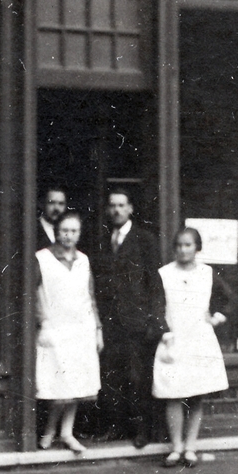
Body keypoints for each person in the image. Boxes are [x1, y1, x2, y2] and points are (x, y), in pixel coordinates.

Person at [150, 226, 234, 467]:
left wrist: (216, 317)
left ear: (197, 248)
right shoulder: (164, 273)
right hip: (174, 340)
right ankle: (175, 447)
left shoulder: (208, 273)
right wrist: (164, 332)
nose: (183, 250)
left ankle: (190, 447)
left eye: (188, 245)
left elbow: (229, 299)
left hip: (199, 340)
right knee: (173, 394)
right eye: (178, 245)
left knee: (196, 396)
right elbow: (155, 307)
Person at [33, 213, 102, 453]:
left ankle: (66, 433)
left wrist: (98, 330)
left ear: (79, 233)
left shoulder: (83, 260)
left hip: (81, 329)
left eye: (74, 231)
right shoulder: (42, 258)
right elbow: (34, 293)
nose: (68, 235)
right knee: (57, 384)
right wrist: (43, 323)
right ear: (56, 231)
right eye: (64, 230)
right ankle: (50, 431)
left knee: (76, 384)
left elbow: (90, 297)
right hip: (55, 329)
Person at [94, 189, 158, 447]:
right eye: (113, 206)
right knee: (113, 376)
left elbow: (154, 282)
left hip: (137, 323)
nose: (117, 210)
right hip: (111, 323)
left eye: (122, 205)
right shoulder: (103, 239)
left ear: (131, 208)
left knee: (138, 377)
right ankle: (116, 427)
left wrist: (152, 319)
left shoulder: (145, 239)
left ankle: (142, 429)